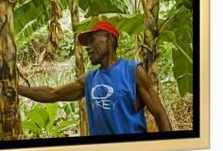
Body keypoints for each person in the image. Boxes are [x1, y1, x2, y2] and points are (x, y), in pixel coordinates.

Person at [18, 21, 172, 135]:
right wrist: (17, 88)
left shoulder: (132, 71)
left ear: (109, 39)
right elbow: (53, 94)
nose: (87, 48)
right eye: (87, 44)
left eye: (92, 41)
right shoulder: (90, 78)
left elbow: (159, 113)